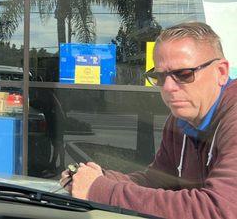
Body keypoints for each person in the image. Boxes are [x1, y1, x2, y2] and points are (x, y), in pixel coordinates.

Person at [60, 22, 237, 219]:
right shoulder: (179, 120)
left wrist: (101, 190)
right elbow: (157, 181)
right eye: (159, 77)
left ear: (221, 72)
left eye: (184, 74)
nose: (168, 87)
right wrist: (101, 178)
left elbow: (219, 210)